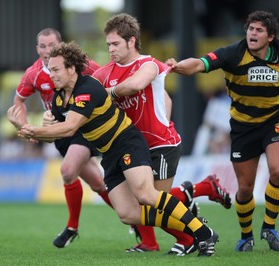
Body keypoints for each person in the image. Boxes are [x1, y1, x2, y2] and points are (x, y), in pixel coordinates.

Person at [8, 41, 219, 256]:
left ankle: (202, 232)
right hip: (109, 154)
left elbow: (69, 128)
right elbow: (54, 136)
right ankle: (193, 220)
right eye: (49, 70)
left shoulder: (87, 88)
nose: (51, 75)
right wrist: (29, 129)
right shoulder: (59, 97)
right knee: (128, 214)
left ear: (71, 69)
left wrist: (31, 129)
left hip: (127, 143)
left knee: (146, 195)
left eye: (56, 69)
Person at [92, 13, 231, 255]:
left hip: (159, 145)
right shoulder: (104, 73)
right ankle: (201, 192)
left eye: (115, 44)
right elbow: (86, 99)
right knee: (132, 211)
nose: (111, 49)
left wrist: (161, 123)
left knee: (153, 203)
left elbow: (137, 86)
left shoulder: (149, 64)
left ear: (132, 41)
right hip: (129, 148)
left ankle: (195, 234)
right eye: (108, 45)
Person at [166, 10, 279, 252]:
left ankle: (269, 227)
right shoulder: (233, 54)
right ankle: (246, 235)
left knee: (278, 171)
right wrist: (177, 67)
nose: (253, 34)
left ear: (270, 37)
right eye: (250, 29)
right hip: (243, 127)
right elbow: (200, 63)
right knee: (245, 187)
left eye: (259, 30)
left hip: (274, 120)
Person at [9, 28, 112, 248]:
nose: (47, 51)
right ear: (37, 49)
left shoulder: (80, 63)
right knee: (98, 183)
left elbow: (108, 79)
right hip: (58, 131)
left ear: (60, 44)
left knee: (67, 170)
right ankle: (142, 229)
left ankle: (72, 226)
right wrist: (26, 126)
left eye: (51, 45)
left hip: (83, 126)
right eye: (42, 46)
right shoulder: (33, 74)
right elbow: (18, 101)